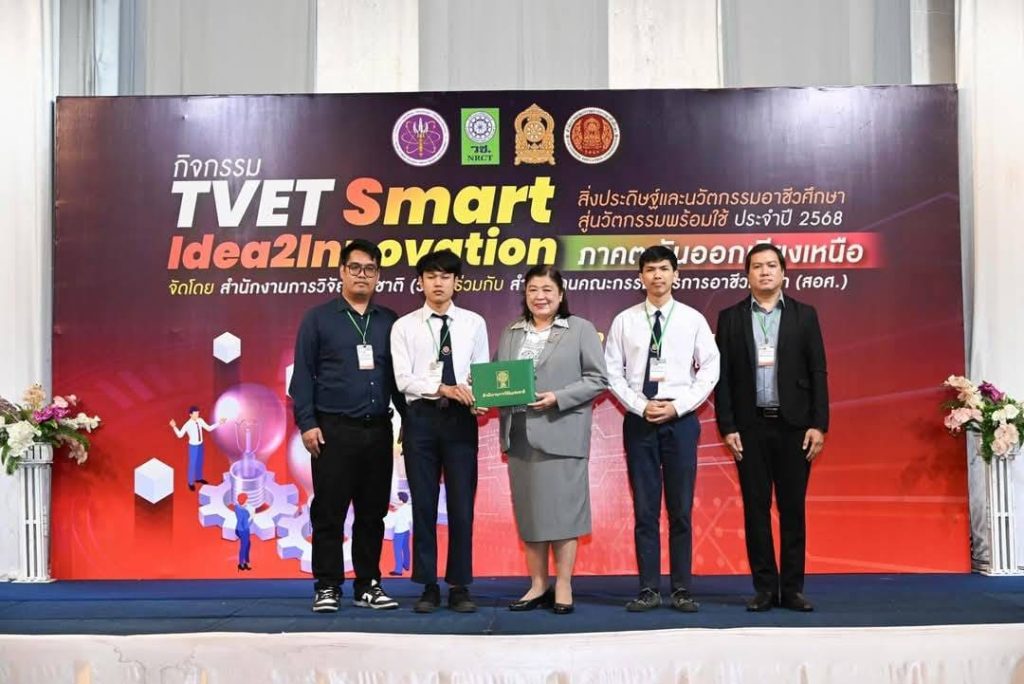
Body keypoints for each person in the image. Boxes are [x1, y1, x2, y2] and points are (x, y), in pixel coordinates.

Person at [290, 238, 406, 613]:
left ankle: (368, 583)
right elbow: (302, 377)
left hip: (378, 430)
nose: (362, 275)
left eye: (370, 269)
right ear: (342, 271)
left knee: (373, 513)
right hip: (332, 430)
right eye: (355, 267)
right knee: (329, 511)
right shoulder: (318, 319)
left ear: (378, 276)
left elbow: (399, 378)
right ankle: (327, 585)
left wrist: (410, 423)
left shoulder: (389, 321)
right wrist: (307, 423)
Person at [605, 245, 720, 613]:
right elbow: (612, 372)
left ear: (676, 275)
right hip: (640, 420)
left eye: (664, 269)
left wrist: (678, 406)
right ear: (640, 277)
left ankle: (682, 589)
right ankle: (649, 589)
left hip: (681, 420)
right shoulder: (624, 321)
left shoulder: (692, 319)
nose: (657, 275)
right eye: (651, 269)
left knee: (680, 509)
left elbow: (710, 368)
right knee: (645, 509)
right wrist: (640, 405)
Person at [714, 243, 828, 612]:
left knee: (793, 510)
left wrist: (819, 424)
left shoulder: (804, 315)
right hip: (749, 429)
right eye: (757, 266)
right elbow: (722, 377)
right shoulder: (730, 318)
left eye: (771, 265)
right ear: (746, 274)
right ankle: (764, 588)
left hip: (795, 427)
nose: (765, 272)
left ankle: (792, 589)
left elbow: (818, 371)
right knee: (756, 510)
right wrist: (727, 425)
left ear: (783, 272)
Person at [497, 265, 608, 615]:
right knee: (530, 513)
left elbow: (597, 379)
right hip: (519, 434)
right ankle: (537, 584)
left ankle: (563, 584)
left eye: (547, 289)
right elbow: (500, 378)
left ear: (561, 295)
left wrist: (557, 397)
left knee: (564, 513)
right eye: (533, 289)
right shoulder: (511, 332)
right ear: (524, 295)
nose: (540, 296)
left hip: (562, 431)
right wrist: (483, 394)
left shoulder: (580, 329)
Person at [390, 249, 489, 613]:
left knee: (462, 505)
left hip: (461, 420)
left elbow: (480, 370)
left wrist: (479, 398)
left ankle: (460, 585)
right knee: (424, 504)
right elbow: (403, 379)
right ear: (420, 282)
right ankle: (428, 585)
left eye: (445, 277)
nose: (438, 283)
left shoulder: (473, 323)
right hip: (421, 420)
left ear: (456, 282)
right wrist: (442, 388)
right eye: (431, 276)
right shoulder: (404, 326)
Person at [169, 407, 226, 491]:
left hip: (200, 445)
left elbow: (208, 428)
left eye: (198, 413)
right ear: (190, 415)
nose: (197, 415)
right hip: (193, 447)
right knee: (192, 464)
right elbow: (180, 435)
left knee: (200, 462)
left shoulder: (200, 420)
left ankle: (199, 478)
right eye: (195, 414)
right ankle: (191, 482)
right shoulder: (188, 424)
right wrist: (174, 427)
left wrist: (219, 423)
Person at [387, 491, 412, 576]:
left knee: (397, 551)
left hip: (399, 532)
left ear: (401, 500)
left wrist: (390, 512)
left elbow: (390, 524)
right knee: (406, 548)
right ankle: (407, 565)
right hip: (406, 530)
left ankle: (398, 570)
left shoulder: (398, 511)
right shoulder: (408, 507)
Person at [235, 492, 253, 571]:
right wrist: (251, 514)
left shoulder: (237, 508)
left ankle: (245, 562)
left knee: (247, 545)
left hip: (240, 529)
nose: (247, 502)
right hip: (244, 530)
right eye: (246, 500)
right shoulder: (244, 511)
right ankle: (242, 563)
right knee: (244, 546)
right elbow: (247, 517)